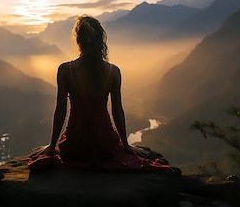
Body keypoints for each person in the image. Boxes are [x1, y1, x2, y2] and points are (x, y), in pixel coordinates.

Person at [27, 15, 171, 171]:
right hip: (105, 144)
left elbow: (60, 110)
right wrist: (125, 143)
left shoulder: (65, 70)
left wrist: (52, 145)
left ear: (78, 40)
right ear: (101, 40)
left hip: (75, 146)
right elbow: (117, 111)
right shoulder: (113, 72)